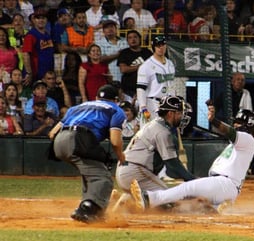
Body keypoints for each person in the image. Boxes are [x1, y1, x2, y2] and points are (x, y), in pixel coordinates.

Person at [128, 106, 254, 213]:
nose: (235, 125)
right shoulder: (239, 144)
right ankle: (217, 208)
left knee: (187, 188)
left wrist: (214, 121)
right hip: (222, 186)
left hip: (226, 183)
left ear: (249, 126)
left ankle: (150, 198)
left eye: (239, 123)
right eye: (235, 122)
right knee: (191, 201)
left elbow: (229, 131)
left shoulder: (248, 139)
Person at [48, 84, 126, 223]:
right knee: (103, 178)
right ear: (115, 100)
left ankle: (91, 206)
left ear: (96, 98)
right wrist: (121, 156)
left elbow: (52, 133)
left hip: (59, 141)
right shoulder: (116, 110)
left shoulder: (77, 107)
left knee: (91, 171)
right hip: (80, 138)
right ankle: (88, 209)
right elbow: (115, 141)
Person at [114, 95, 195, 211]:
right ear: (170, 114)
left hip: (127, 170)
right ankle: (127, 202)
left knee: (154, 198)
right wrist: (193, 180)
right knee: (168, 201)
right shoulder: (163, 132)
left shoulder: (156, 124)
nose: (182, 116)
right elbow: (172, 165)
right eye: (179, 113)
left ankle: (124, 202)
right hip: (135, 171)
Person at [137, 35, 175, 125]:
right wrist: (143, 107)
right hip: (152, 104)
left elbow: (172, 85)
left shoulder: (170, 64)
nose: (161, 48)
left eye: (162, 45)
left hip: (167, 105)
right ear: (153, 47)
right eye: (158, 45)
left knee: (164, 134)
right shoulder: (146, 66)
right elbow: (140, 88)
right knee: (148, 134)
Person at [117, 29, 152, 103]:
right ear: (127, 41)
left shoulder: (147, 52)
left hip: (145, 89)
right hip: (128, 90)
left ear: (139, 39)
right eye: (130, 38)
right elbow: (123, 69)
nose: (133, 39)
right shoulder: (124, 53)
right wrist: (140, 67)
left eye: (135, 37)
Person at [22, 7, 54, 83]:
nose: (41, 20)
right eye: (38, 18)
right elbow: (26, 54)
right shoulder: (31, 35)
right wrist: (29, 73)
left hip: (46, 73)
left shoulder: (47, 35)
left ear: (46, 20)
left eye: (43, 18)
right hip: (35, 74)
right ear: (34, 20)